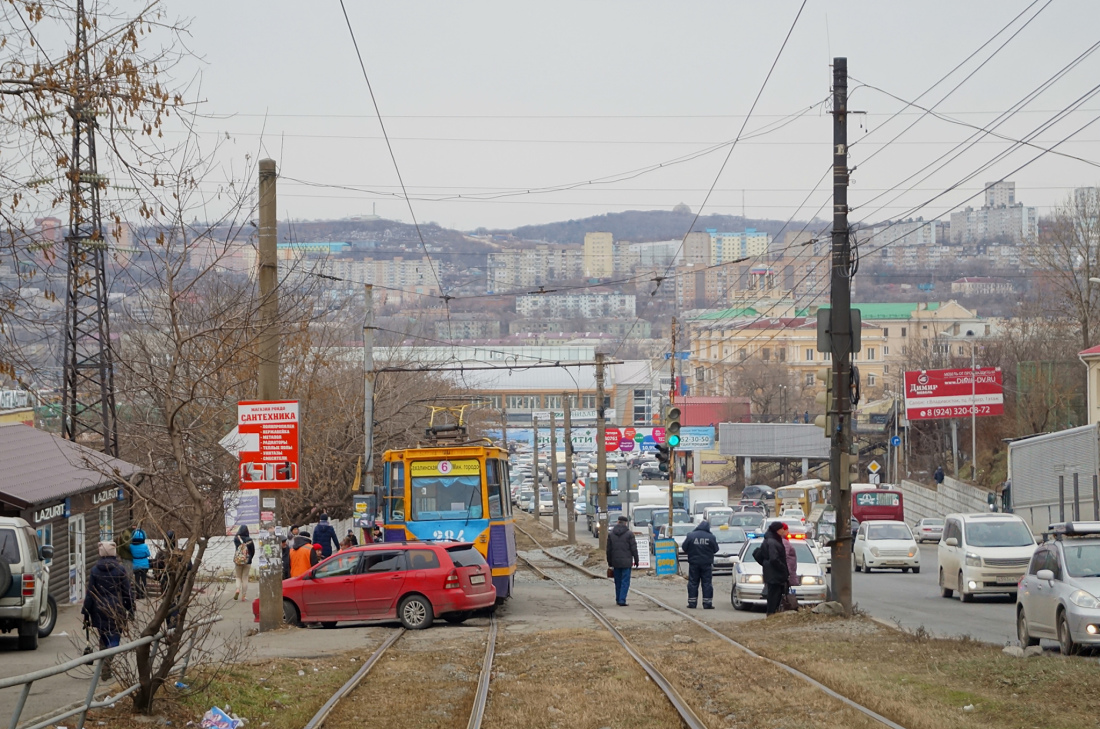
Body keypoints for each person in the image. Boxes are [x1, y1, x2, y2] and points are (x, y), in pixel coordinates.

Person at [82, 542, 134, 678]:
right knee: (115, 637)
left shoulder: (94, 570)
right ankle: (107, 663)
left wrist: (86, 612)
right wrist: (131, 608)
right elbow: (126, 592)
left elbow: (90, 593)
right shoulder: (120, 569)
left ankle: (104, 663)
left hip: (98, 609)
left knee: (103, 636)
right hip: (117, 608)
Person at [753, 522, 790, 616]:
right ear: (777, 530)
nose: (783, 530)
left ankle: (772, 613)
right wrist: (783, 569)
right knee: (774, 596)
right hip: (775, 574)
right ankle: (771, 614)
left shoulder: (772, 540)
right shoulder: (772, 541)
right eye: (781, 528)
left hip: (773, 573)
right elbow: (774, 559)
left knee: (774, 595)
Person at [681, 519, 719, 609]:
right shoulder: (711, 537)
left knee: (693, 582)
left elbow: (684, 547)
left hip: (694, 564)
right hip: (706, 564)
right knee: (706, 583)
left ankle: (692, 603)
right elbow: (716, 549)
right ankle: (707, 603)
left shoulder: (691, 536)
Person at [605, 515, 639, 607]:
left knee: (618, 581)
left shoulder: (611, 534)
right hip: (626, 562)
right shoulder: (629, 534)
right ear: (626, 523)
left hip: (615, 562)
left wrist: (609, 562)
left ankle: (618, 598)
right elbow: (634, 548)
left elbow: (608, 550)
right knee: (625, 581)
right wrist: (636, 560)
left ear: (617, 522)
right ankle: (622, 599)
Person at [232, 525, 256, 601]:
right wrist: (250, 558)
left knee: (238, 577)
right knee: (245, 578)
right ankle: (243, 596)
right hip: (247, 561)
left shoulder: (236, 539)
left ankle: (237, 589)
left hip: (238, 561)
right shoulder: (250, 540)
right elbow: (253, 551)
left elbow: (237, 549)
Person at [130, 528, 150, 599]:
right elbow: (148, 554)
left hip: (135, 564)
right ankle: (144, 592)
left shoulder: (131, 546)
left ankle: (138, 593)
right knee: (144, 579)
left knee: (137, 579)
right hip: (144, 564)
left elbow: (130, 554)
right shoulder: (145, 546)